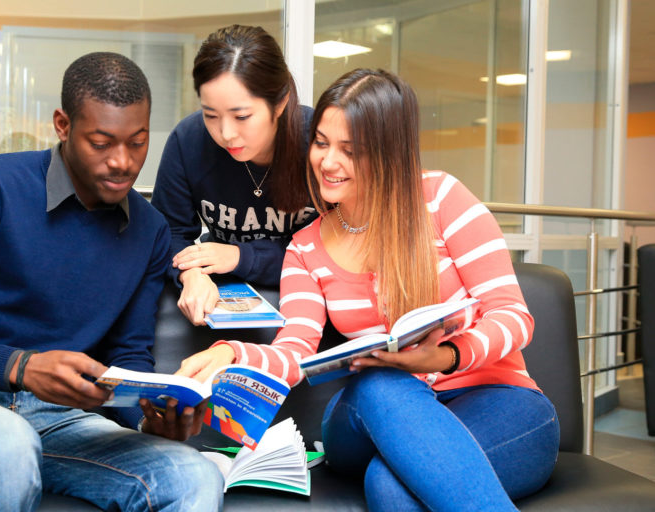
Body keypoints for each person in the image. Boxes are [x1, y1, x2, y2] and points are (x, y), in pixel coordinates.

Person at [178, 69, 559, 511]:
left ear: (389, 152)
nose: (328, 162)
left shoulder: (442, 200)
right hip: (371, 415)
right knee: (380, 384)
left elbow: (512, 315)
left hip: (495, 400)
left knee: (390, 488)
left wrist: (446, 357)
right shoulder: (305, 246)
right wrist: (233, 353)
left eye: (350, 150)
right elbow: (296, 348)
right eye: (320, 143)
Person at [0, 52, 223, 512]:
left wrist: (150, 417)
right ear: (63, 125)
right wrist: (22, 367)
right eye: (101, 142)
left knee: (192, 474)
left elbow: (128, 355)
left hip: (64, 425)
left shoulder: (151, 231)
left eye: (138, 142)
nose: (123, 162)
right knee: (5, 443)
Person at [152, 24, 316, 325]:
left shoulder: (320, 143)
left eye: (242, 116)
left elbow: (341, 247)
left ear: (279, 103)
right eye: (210, 115)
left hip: (310, 295)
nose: (226, 134)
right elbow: (168, 232)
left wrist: (240, 256)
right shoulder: (188, 140)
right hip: (226, 290)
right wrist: (189, 274)